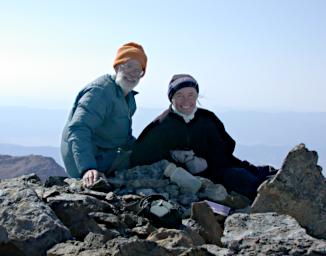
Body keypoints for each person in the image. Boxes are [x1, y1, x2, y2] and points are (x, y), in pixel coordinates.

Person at [130, 74, 276, 200]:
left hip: (216, 167)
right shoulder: (161, 125)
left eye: (191, 95)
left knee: (259, 172)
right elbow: (140, 156)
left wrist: (205, 160)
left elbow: (227, 146)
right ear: (171, 99)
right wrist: (174, 159)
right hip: (190, 179)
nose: (186, 101)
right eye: (179, 95)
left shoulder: (207, 118)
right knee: (240, 178)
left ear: (197, 96)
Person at [61, 42, 147, 187]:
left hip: (105, 152)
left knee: (151, 157)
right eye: (128, 66)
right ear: (117, 66)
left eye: (138, 70)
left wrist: (145, 148)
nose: (133, 74)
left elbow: (124, 138)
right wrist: (87, 168)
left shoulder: (128, 97)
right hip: (85, 161)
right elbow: (78, 129)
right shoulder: (100, 92)